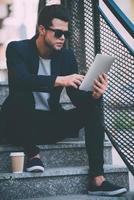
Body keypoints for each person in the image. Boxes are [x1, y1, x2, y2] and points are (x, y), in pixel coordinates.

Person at [1, 5, 127, 196]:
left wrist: (94, 95)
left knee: (94, 106)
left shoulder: (66, 57)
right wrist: (59, 80)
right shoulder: (17, 49)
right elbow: (21, 80)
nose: (62, 38)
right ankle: (33, 155)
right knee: (20, 96)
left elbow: (77, 99)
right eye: (58, 33)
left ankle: (97, 179)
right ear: (42, 29)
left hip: (49, 124)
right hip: (19, 124)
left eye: (65, 35)